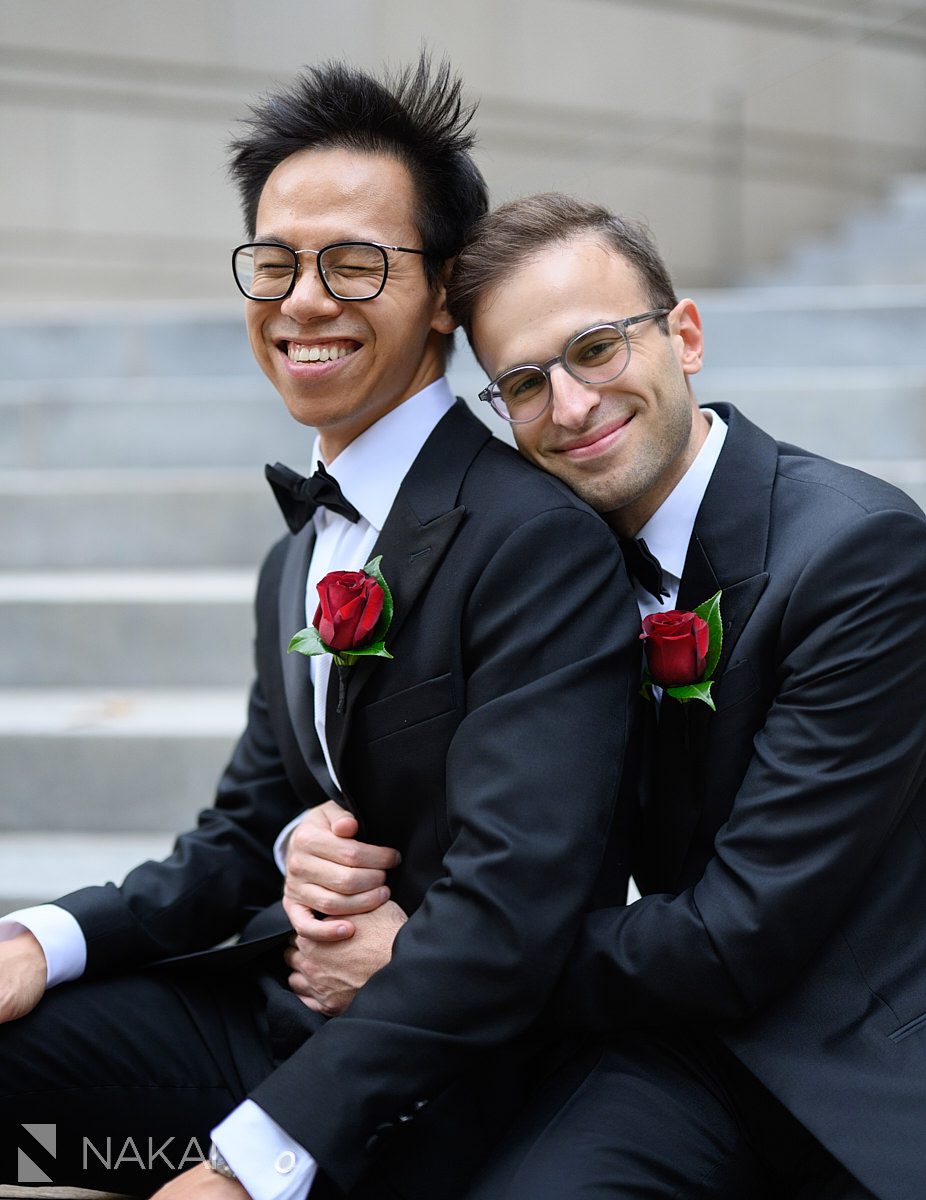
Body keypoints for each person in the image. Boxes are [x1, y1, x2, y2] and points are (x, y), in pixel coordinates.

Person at [0, 73, 643, 1200]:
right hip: (270, 1017)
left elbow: (504, 914)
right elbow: (243, 829)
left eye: (352, 264)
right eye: (274, 262)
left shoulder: (534, 541)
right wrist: (42, 940)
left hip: (443, 1076)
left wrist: (247, 1166)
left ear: (444, 294)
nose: (302, 301)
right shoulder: (294, 556)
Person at [281, 194, 926, 1200]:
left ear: (686, 335)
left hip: (837, 1058)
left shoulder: (856, 555)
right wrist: (307, 842)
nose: (570, 407)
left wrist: (427, 960)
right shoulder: (546, 564)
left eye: (594, 349)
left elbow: (734, 937)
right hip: (650, 1050)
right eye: (524, 384)